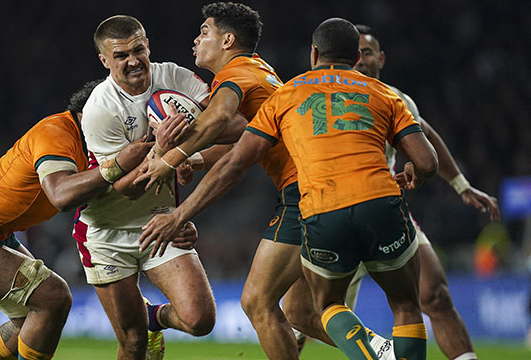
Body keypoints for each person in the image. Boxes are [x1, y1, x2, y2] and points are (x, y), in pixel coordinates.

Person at [139, 18, 440, 360]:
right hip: (374, 198)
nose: (196, 39)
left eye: (204, 32)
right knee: (306, 311)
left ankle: (380, 356)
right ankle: (384, 352)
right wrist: (193, 161)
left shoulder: (255, 82)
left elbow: (226, 130)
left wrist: (170, 161)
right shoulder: (268, 74)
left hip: (310, 195)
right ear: (356, 58)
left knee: (259, 300)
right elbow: (427, 160)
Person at [282, 24, 501, 360]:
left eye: (368, 53)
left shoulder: (393, 98)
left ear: (378, 59)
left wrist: (460, 184)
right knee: (302, 318)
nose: (361, 61)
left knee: (435, 296)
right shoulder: (312, 96)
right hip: (329, 208)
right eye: (359, 53)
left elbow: (426, 137)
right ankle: (379, 351)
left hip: (382, 211)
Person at [0, 79, 159, 360]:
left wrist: (175, 215)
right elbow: (60, 194)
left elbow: (113, 197)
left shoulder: (93, 148)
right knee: (52, 298)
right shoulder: (56, 132)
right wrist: (116, 166)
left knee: (31, 321)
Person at [76, 15, 247, 359]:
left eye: (138, 50)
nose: (133, 60)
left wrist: (188, 156)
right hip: (107, 232)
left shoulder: (175, 77)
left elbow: (235, 127)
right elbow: (125, 187)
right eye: (121, 55)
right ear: (105, 61)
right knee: (133, 343)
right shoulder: (100, 108)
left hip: (160, 221)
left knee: (200, 320)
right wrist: (163, 149)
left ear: (147, 45)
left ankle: (153, 317)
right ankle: (145, 322)